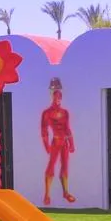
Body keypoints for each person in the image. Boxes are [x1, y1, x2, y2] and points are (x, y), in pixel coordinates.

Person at [41, 77, 75, 205]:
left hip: (64, 142)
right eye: (55, 95)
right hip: (56, 142)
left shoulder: (65, 112)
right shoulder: (47, 113)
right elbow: (44, 131)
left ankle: (66, 192)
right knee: (51, 165)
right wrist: (46, 146)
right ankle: (47, 194)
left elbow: (67, 128)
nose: (57, 99)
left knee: (65, 165)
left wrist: (71, 143)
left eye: (59, 96)